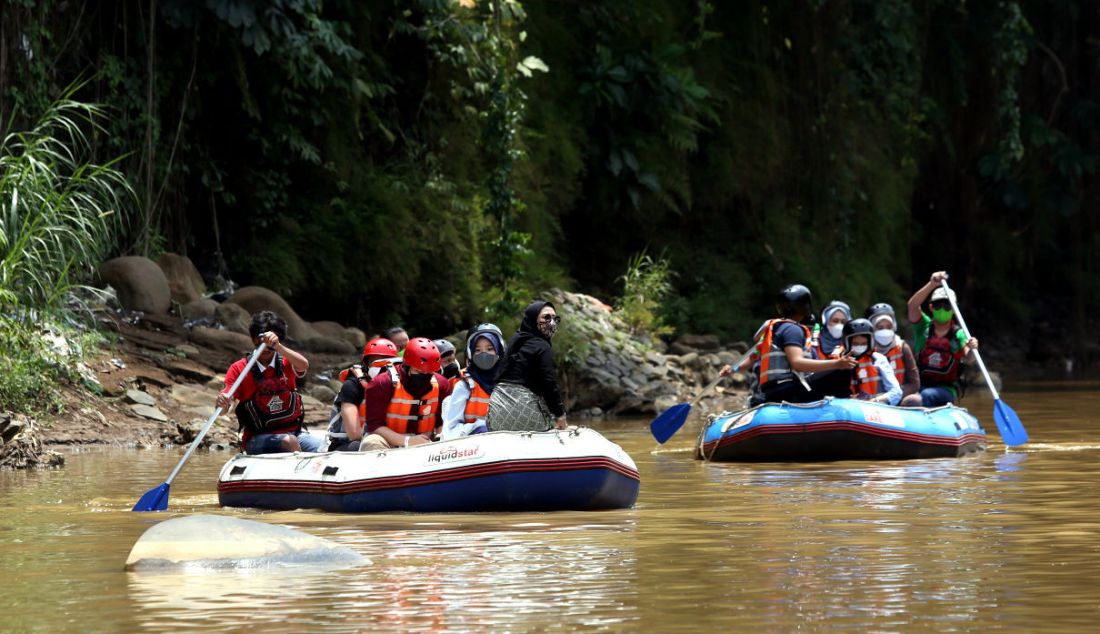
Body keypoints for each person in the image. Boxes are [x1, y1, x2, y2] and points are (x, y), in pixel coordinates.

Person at [721, 284, 858, 405]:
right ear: (805, 307)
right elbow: (797, 363)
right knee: (842, 370)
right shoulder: (792, 330)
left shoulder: (775, 328)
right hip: (788, 391)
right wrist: (837, 364)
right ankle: (842, 407)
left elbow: (753, 357)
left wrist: (734, 369)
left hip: (772, 391)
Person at [216, 311, 323, 454]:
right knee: (289, 442)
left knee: (324, 447)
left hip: (294, 433)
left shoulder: (286, 360)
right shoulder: (239, 369)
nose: (265, 347)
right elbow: (223, 411)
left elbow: (304, 365)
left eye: (270, 342)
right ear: (254, 339)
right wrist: (222, 403)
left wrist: (278, 346)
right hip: (257, 438)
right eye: (261, 340)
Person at [334, 337, 453, 452]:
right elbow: (374, 426)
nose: (382, 365)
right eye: (374, 361)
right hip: (386, 440)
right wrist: (407, 441)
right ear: (407, 364)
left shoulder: (442, 384)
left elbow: (442, 421)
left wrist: (440, 437)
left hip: (424, 440)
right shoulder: (379, 383)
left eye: (429, 373)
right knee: (370, 442)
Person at [486, 301, 568, 431]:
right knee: (555, 425)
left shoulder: (516, 340)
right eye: (546, 317)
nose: (552, 322)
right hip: (526, 413)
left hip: (496, 416)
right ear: (533, 318)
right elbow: (549, 383)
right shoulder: (542, 346)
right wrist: (560, 415)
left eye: (555, 318)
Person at [906, 271, 979, 407]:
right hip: (919, 384)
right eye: (938, 305)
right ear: (931, 307)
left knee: (923, 396)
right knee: (906, 395)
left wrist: (973, 349)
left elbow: (969, 358)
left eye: (947, 306)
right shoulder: (923, 327)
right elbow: (912, 306)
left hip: (946, 389)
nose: (942, 309)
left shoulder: (959, 334)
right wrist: (932, 284)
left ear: (953, 309)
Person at [327, 337, 401, 451]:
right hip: (347, 445)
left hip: (386, 440)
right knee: (365, 445)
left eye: (386, 362)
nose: (380, 367)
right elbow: (354, 434)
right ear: (366, 363)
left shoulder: (398, 385)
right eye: (375, 362)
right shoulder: (352, 386)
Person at [440, 324, 505, 440]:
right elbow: (450, 430)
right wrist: (478, 428)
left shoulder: (510, 383)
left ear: (499, 350)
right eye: (478, 350)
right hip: (471, 447)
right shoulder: (464, 385)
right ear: (471, 354)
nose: (484, 354)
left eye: (490, 349)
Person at [866, 302, 922, 406]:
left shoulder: (902, 347)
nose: (885, 331)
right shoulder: (865, 349)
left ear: (894, 326)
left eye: (888, 326)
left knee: (914, 400)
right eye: (880, 327)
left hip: (901, 396)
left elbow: (914, 384)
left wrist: (892, 397)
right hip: (873, 399)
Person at [841, 318, 903, 405]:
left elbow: (896, 392)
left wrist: (872, 402)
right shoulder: (838, 362)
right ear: (847, 342)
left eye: (863, 344)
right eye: (855, 344)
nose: (859, 346)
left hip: (876, 408)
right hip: (849, 409)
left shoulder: (878, 359)